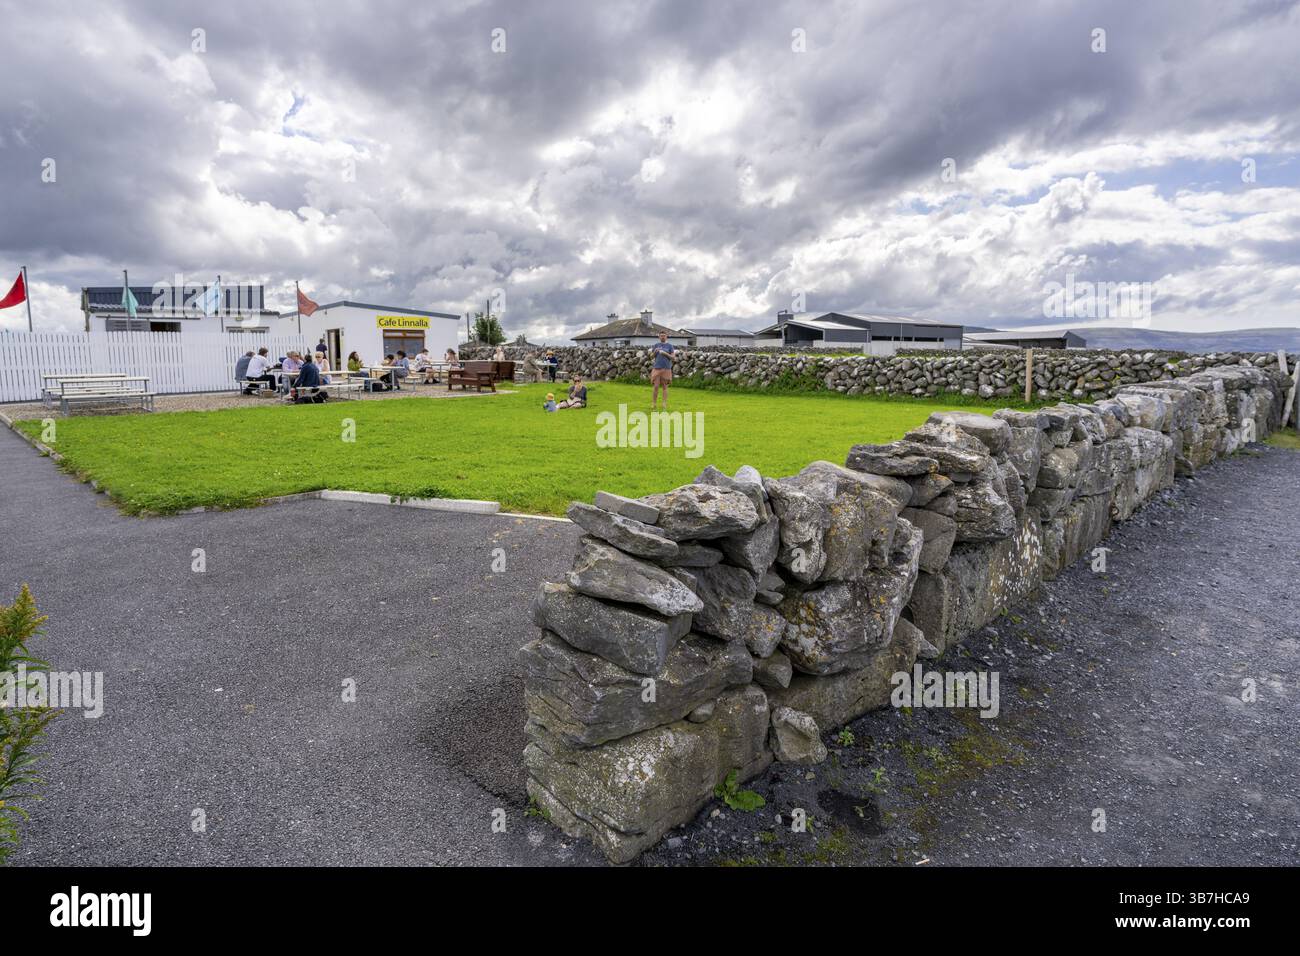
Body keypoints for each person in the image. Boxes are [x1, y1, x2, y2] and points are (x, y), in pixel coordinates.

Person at [649, 330, 677, 410]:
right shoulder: (656, 345)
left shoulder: (670, 346)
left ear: (666, 336)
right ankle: (653, 403)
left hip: (666, 368)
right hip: (657, 368)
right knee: (656, 386)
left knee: (665, 387)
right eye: (661, 336)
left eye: (664, 336)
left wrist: (665, 353)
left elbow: (673, 357)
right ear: (659, 337)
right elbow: (651, 357)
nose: (662, 337)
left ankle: (664, 403)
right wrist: (655, 352)